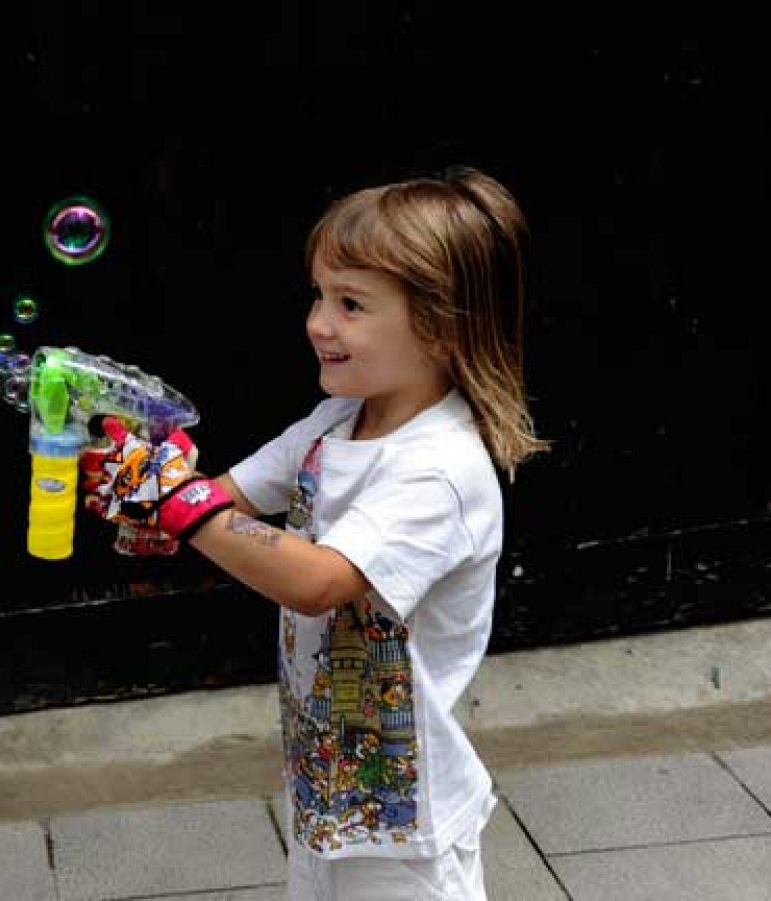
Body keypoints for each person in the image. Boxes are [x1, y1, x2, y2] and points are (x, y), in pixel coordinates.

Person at [89, 168, 546, 900]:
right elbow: (223, 500)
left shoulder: (440, 469)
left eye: (351, 304)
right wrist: (149, 492)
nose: (318, 323)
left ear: (439, 325)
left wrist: (180, 506)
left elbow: (318, 580)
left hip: (406, 814)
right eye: (320, 296)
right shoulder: (337, 421)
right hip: (328, 776)